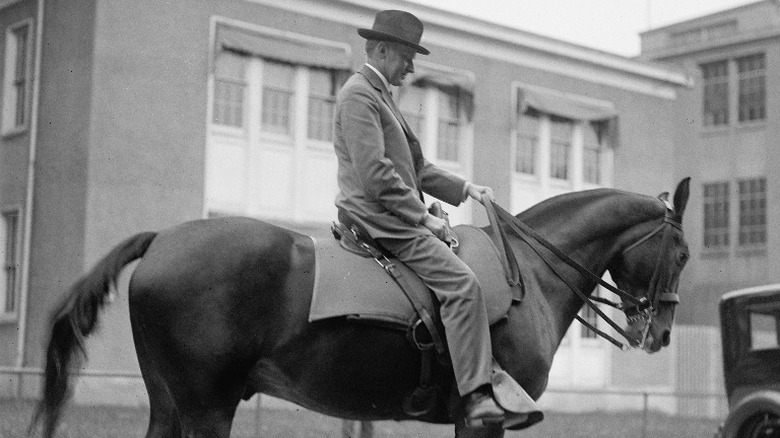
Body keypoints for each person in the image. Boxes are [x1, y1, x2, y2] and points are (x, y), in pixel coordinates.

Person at [333, 9, 511, 427]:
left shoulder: (381, 97)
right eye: (405, 56)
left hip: (392, 213)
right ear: (379, 50)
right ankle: (475, 397)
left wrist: (467, 190)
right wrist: (422, 218)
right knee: (464, 285)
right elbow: (376, 175)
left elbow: (417, 167)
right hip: (380, 219)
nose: (411, 66)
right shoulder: (359, 95)